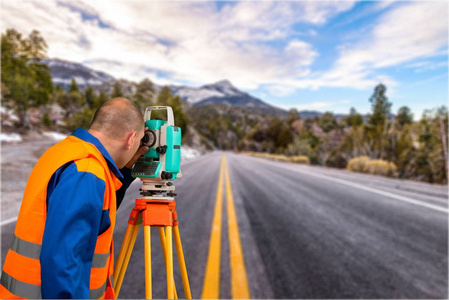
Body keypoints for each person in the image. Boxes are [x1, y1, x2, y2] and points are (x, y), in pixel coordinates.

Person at [0, 98, 149, 299]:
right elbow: (63, 261)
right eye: (139, 141)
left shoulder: (66, 151)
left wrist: (127, 172)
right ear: (131, 139)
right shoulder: (87, 172)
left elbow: (96, 219)